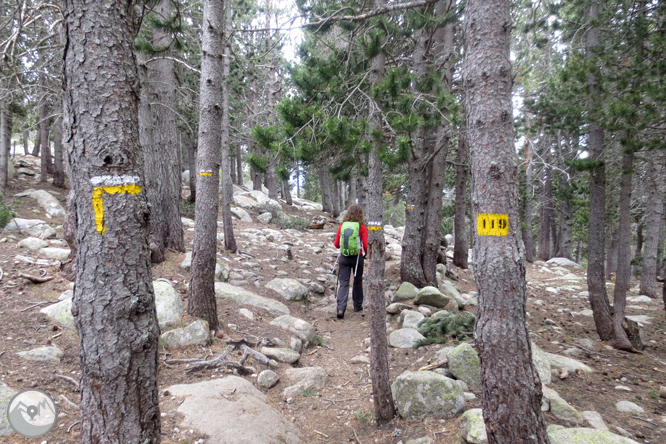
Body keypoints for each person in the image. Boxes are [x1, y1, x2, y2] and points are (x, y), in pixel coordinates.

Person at [333, 204, 368, 319]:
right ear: (360, 215)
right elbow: (366, 244)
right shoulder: (361, 227)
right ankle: (357, 305)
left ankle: (341, 309)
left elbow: (336, 244)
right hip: (357, 258)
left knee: (344, 282)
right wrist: (366, 253)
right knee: (357, 281)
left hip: (344, 257)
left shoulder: (343, 226)